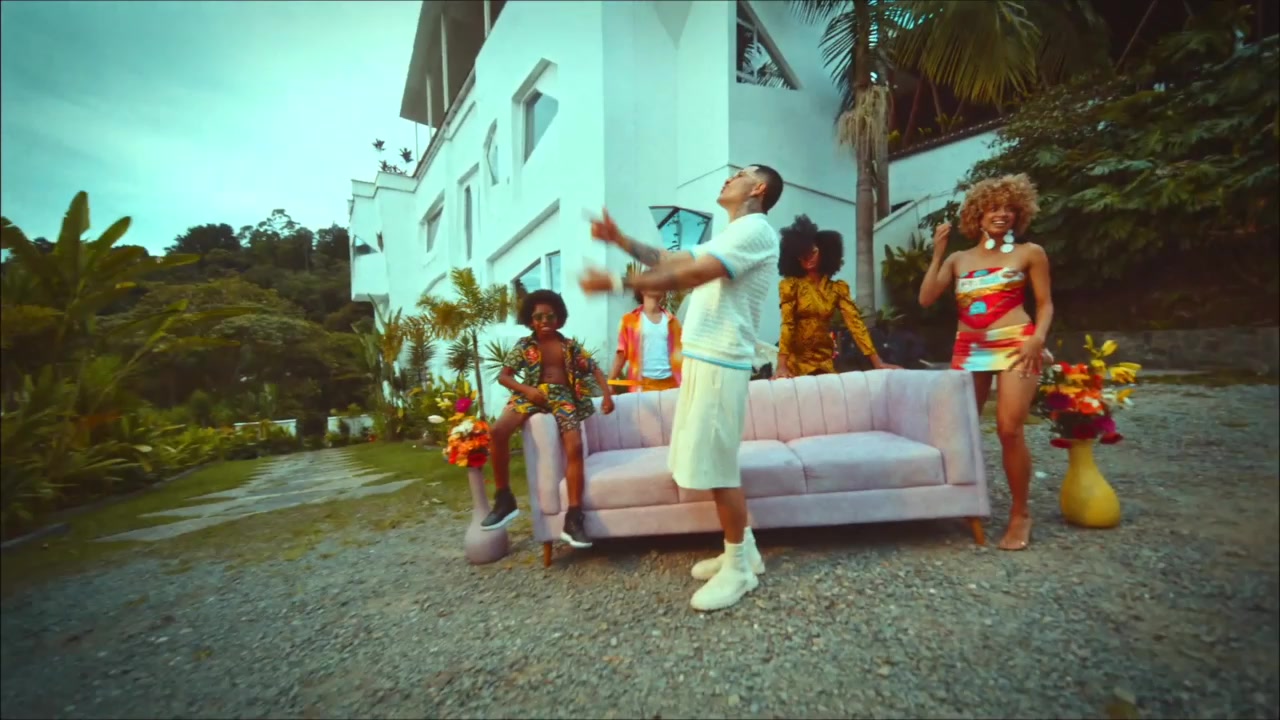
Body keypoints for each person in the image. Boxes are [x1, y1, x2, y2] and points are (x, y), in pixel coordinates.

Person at [579, 164, 784, 612]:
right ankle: (744, 550)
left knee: (718, 468)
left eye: (740, 174)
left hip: (721, 360)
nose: (728, 178)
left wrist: (614, 282)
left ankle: (739, 571)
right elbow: (672, 262)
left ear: (758, 188)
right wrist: (621, 241)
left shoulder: (756, 230)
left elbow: (691, 276)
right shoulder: (733, 234)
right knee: (709, 462)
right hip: (704, 359)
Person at [917, 173, 1053, 551]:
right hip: (970, 347)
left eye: (1009, 208)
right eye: (993, 207)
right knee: (963, 431)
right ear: (977, 215)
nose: (1002, 214)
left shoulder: (1030, 253)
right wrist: (938, 254)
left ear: (1019, 214)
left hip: (1017, 343)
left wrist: (1038, 339)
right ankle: (968, 503)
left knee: (1009, 429)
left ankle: (1020, 513)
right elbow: (926, 299)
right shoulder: (959, 259)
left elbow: (1045, 304)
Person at [480, 289, 615, 550]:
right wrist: (528, 390)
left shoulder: (569, 346)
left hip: (563, 397)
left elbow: (595, 368)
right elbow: (504, 376)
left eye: (550, 316)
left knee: (575, 447)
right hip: (531, 393)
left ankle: (573, 518)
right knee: (497, 431)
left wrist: (608, 396)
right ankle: (504, 498)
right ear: (530, 320)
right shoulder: (524, 345)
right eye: (538, 317)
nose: (544, 321)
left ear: (559, 319)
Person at [773, 215, 902, 377]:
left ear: (825, 253)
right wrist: (781, 366)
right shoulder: (790, 286)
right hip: (795, 365)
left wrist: (878, 363)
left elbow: (855, 325)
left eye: (812, 252)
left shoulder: (837, 289)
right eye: (801, 255)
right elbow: (787, 324)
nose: (807, 258)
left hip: (824, 363)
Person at [609, 289, 683, 392]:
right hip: (642, 386)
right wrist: (610, 381)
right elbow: (621, 353)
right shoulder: (629, 320)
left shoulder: (673, 321)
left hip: (671, 385)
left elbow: (681, 355)